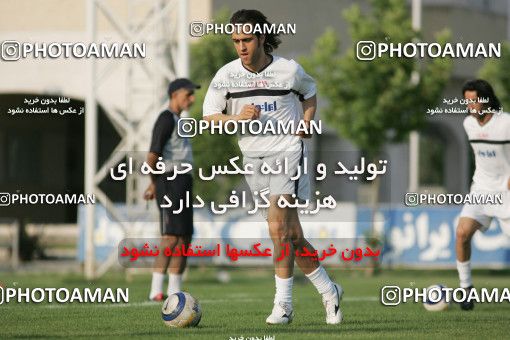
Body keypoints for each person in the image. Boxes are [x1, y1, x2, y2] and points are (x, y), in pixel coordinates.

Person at [202, 9, 343, 324]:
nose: (241, 46)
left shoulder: (288, 71)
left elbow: (310, 93)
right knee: (290, 235)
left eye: (247, 39)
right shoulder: (225, 75)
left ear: (261, 37)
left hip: (286, 152)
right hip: (253, 159)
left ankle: (284, 305)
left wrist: (306, 121)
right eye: (236, 40)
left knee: (277, 228)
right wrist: (236, 119)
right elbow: (210, 116)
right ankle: (329, 290)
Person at [455, 79, 510, 310]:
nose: (470, 106)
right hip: (481, 189)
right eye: (467, 101)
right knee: (462, 233)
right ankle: (465, 288)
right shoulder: (469, 124)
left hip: (505, 193)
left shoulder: (506, 123)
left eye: (474, 101)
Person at [144, 78, 200, 301]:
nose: (192, 99)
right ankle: (156, 290)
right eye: (188, 94)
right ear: (175, 94)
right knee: (170, 237)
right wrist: (156, 182)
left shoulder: (180, 120)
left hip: (184, 181)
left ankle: (175, 290)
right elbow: (152, 157)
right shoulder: (165, 119)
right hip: (170, 182)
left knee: (184, 238)